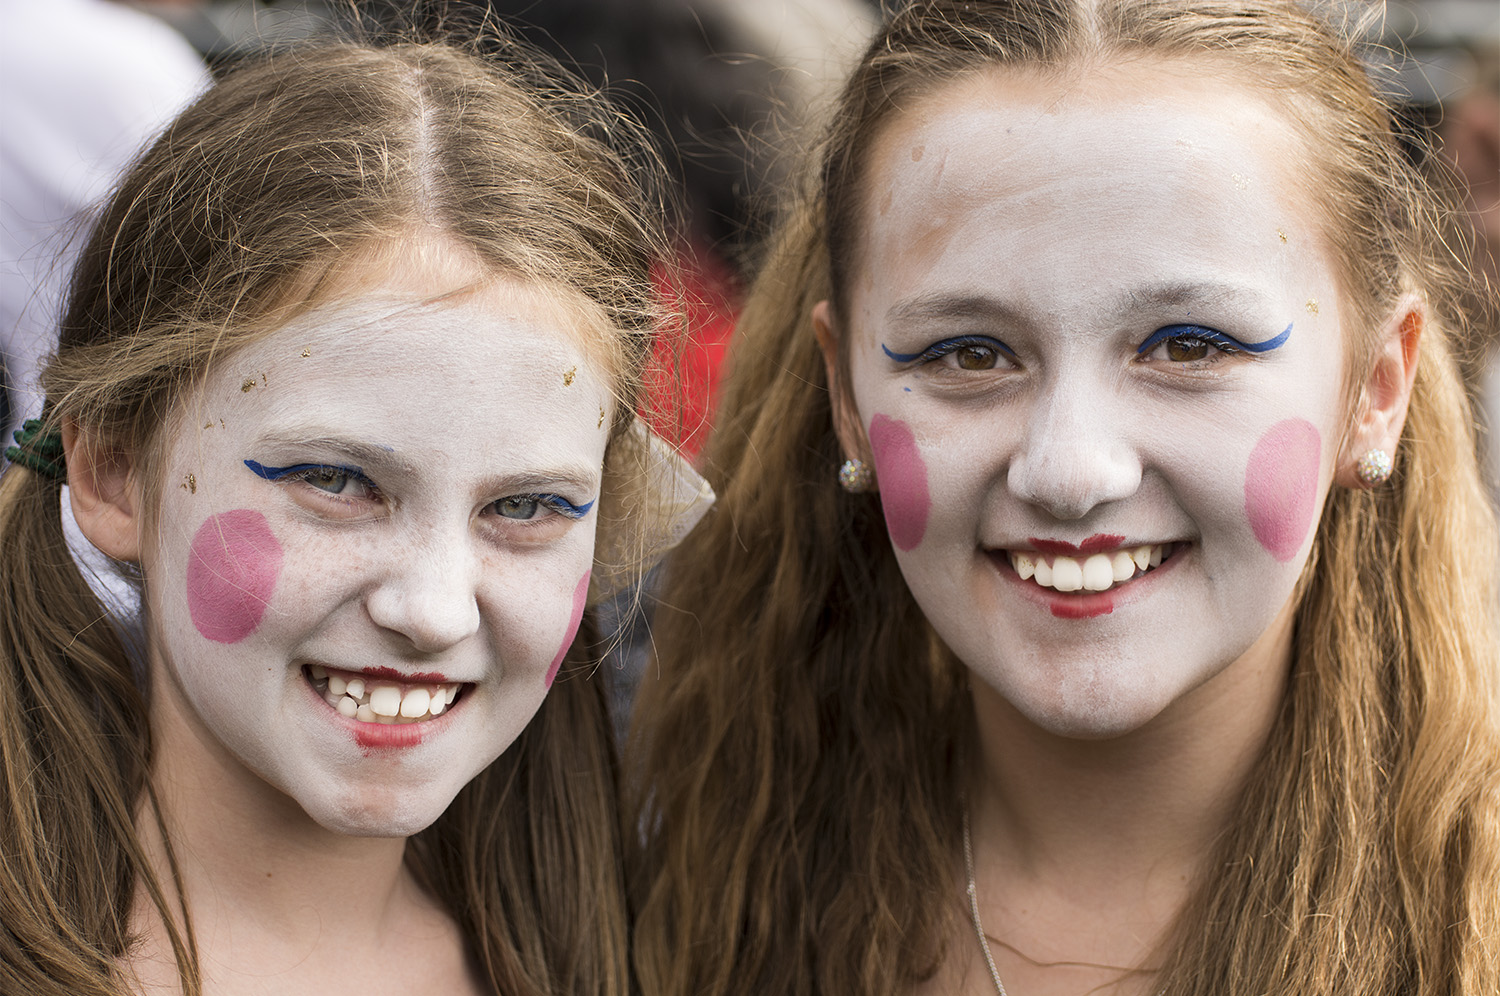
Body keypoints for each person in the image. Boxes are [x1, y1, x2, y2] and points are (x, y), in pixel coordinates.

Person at [627, 2, 1500, 995]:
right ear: (846, 399)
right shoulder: (655, 907)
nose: (1071, 471)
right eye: (970, 353)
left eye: (1190, 345)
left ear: (1376, 391)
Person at [0, 28, 686, 996]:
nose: (435, 609)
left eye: (527, 505)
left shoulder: (656, 948)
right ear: (113, 471)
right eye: (336, 482)